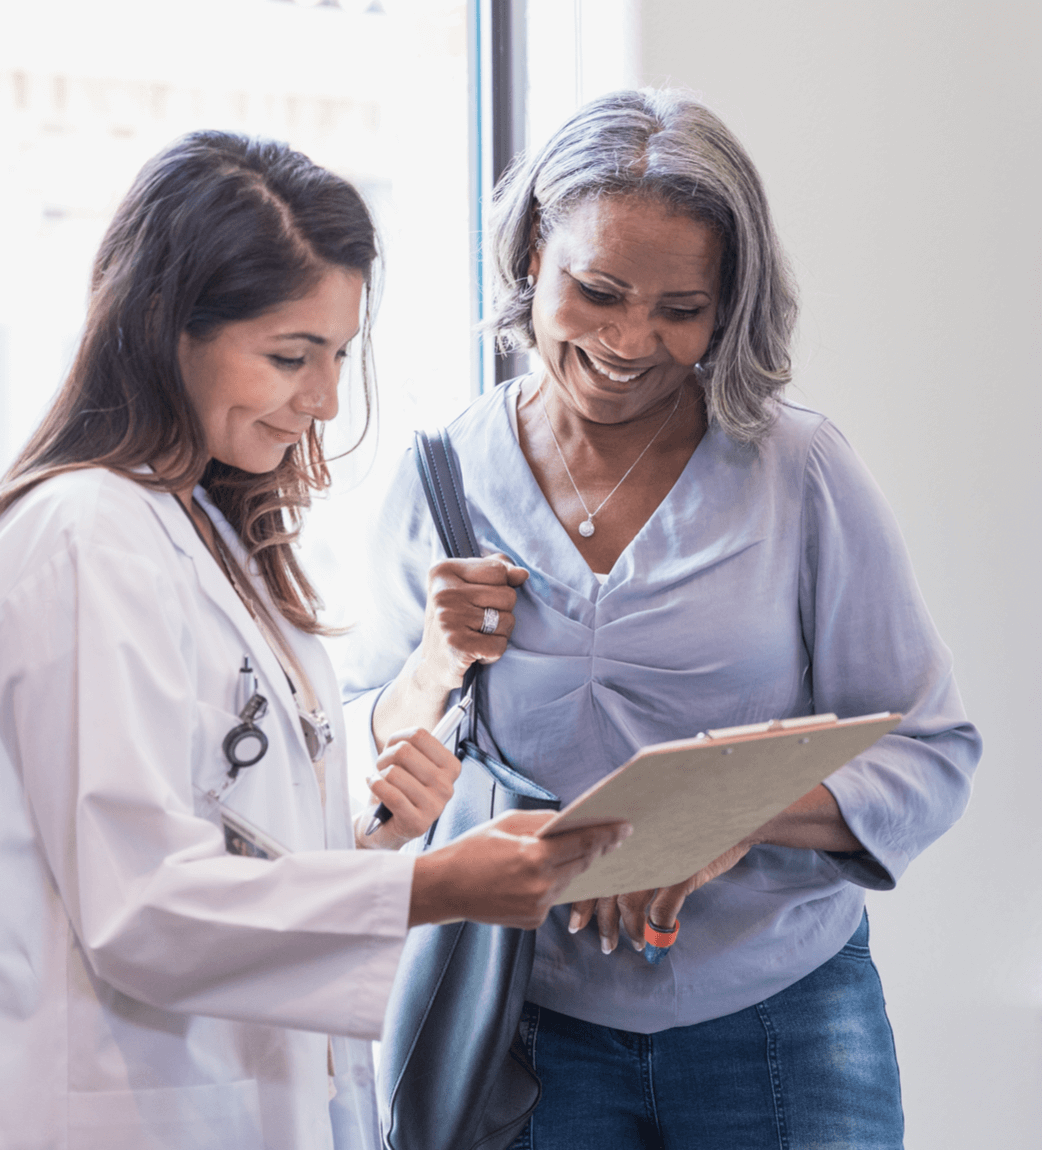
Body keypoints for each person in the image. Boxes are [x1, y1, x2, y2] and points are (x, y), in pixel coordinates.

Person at [0, 132, 628, 1150]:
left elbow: (207, 836)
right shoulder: (84, 537)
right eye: (290, 355)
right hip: (112, 1108)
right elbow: (144, 909)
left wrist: (363, 831)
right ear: (166, 328)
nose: (326, 400)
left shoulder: (205, 530)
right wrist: (436, 885)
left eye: (340, 354)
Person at [343, 90, 982, 1149]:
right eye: (598, 291)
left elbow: (931, 750)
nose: (632, 341)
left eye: (681, 310)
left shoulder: (798, 471)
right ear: (536, 249)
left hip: (785, 1020)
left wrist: (732, 815)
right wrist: (430, 665)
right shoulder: (445, 477)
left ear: (726, 305)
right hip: (537, 1032)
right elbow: (362, 784)